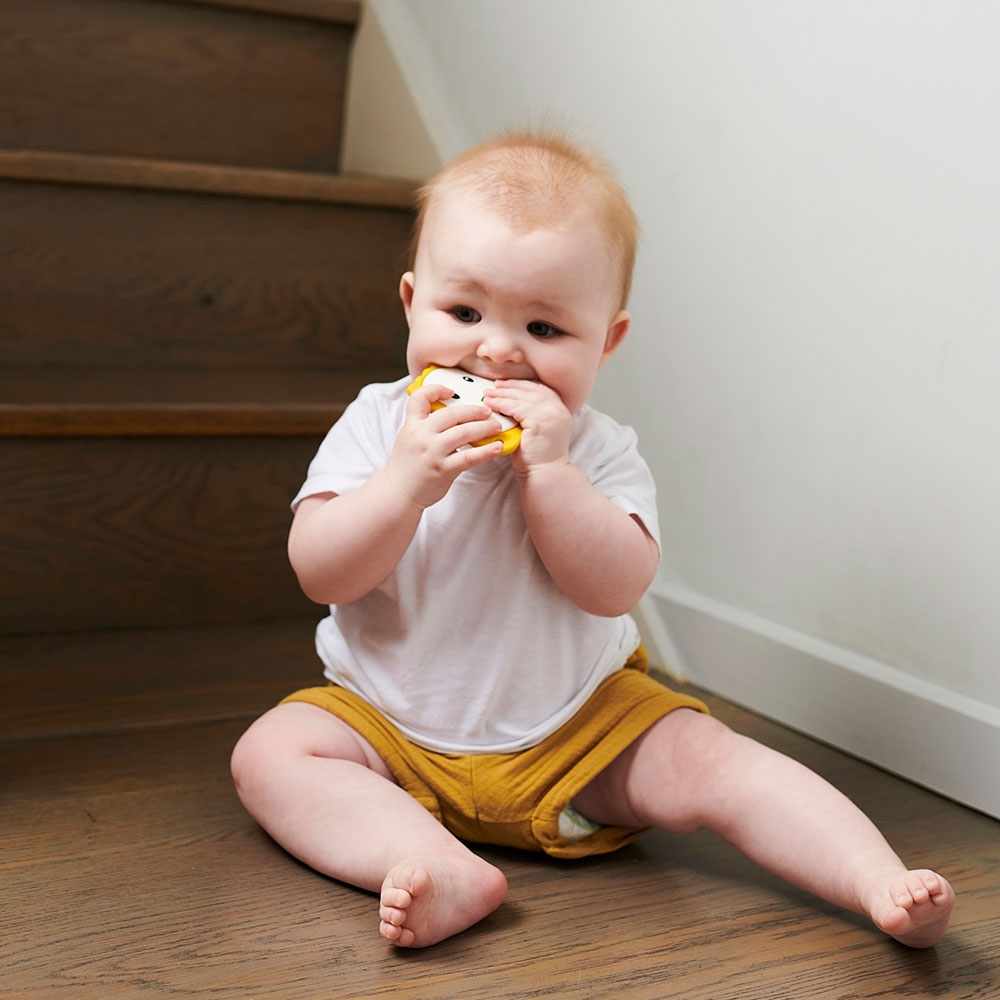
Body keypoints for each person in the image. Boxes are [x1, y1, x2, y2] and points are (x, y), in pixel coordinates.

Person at [230, 130, 955, 950]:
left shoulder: (600, 449)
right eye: (463, 313)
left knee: (714, 760)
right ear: (409, 303)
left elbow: (614, 588)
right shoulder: (376, 425)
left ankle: (876, 880)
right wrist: (403, 486)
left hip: (578, 733)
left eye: (544, 328)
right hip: (389, 730)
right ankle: (429, 862)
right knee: (272, 754)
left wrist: (552, 475)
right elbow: (320, 570)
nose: (497, 351)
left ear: (606, 341)